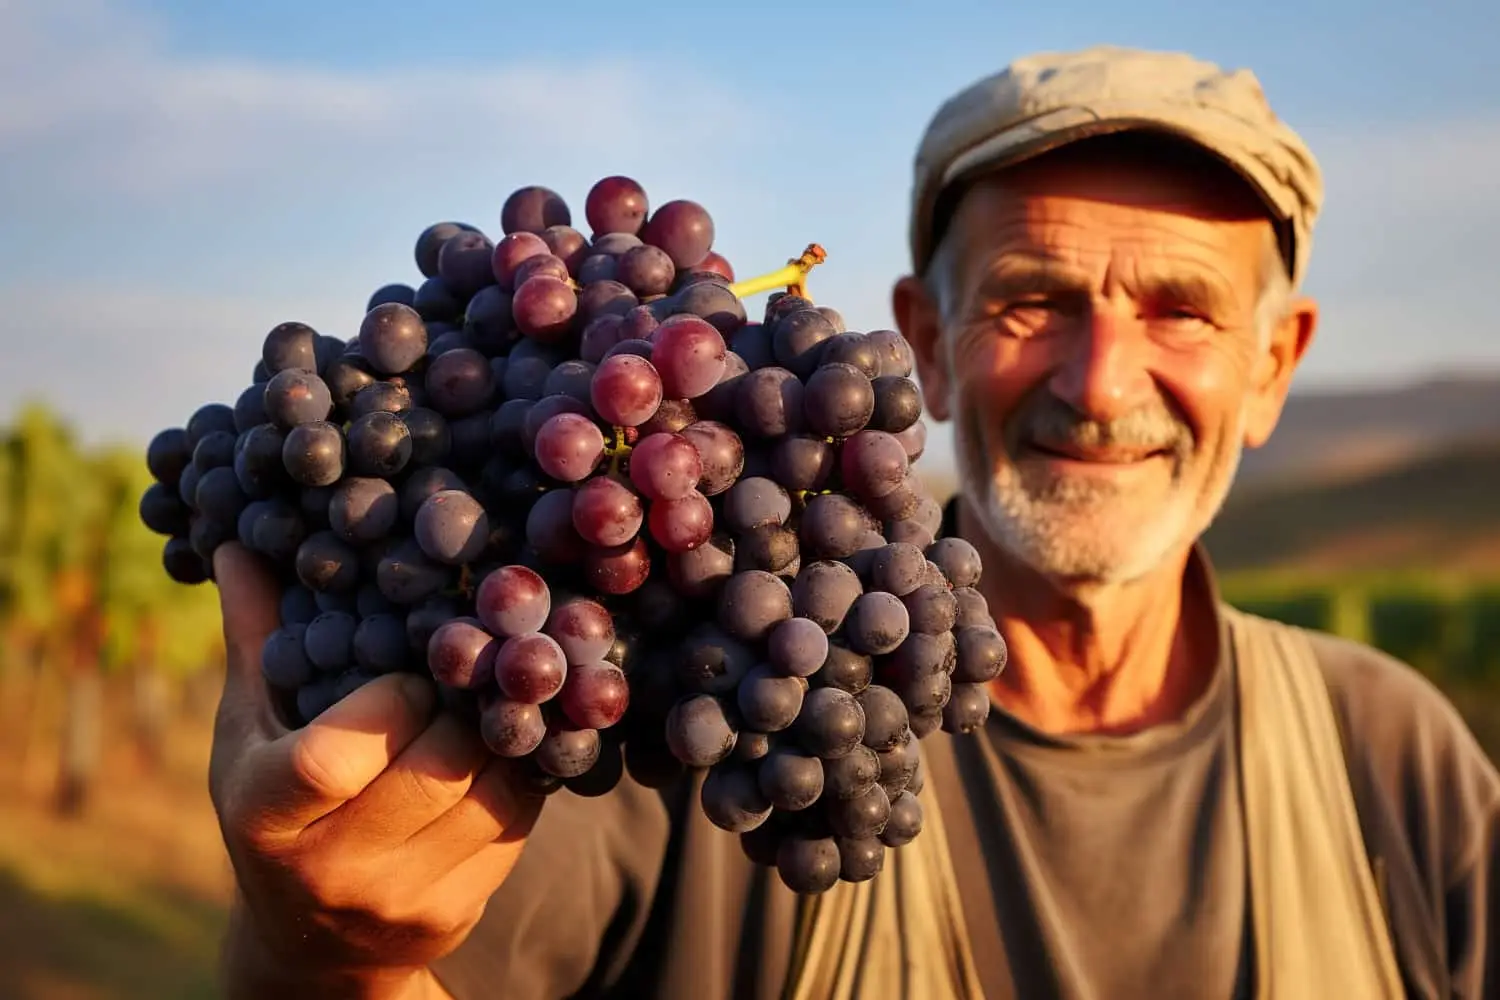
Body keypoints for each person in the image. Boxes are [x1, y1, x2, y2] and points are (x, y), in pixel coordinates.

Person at [207, 45, 1499, 1000]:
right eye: (1032, 300)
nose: (1101, 382)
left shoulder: (1402, 763)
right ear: (921, 345)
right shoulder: (656, 714)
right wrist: (324, 962)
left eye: (1182, 312)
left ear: (1277, 365)